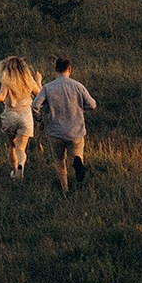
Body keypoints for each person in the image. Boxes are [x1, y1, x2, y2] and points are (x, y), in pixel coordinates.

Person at [32, 57, 97, 193]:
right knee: (76, 156)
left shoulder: (48, 88)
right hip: (76, 130)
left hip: (55, 131)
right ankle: (77, 167)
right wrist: (81, 108)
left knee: (59, 160)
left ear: (55, 70)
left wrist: (40, 120)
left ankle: (65, 189)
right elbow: (92, 104)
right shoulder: (78, 86)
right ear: (69, 69)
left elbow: (35, 106)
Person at [0, 55, 42, 179]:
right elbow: (40, 94)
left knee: (12, 146)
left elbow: (0, 97)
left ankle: (15, 171)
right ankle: (21, 164)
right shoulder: (29, 80)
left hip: (10, 115)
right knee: (21, 149)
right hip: (25, 116)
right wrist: (38, 81)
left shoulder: (7, 81)